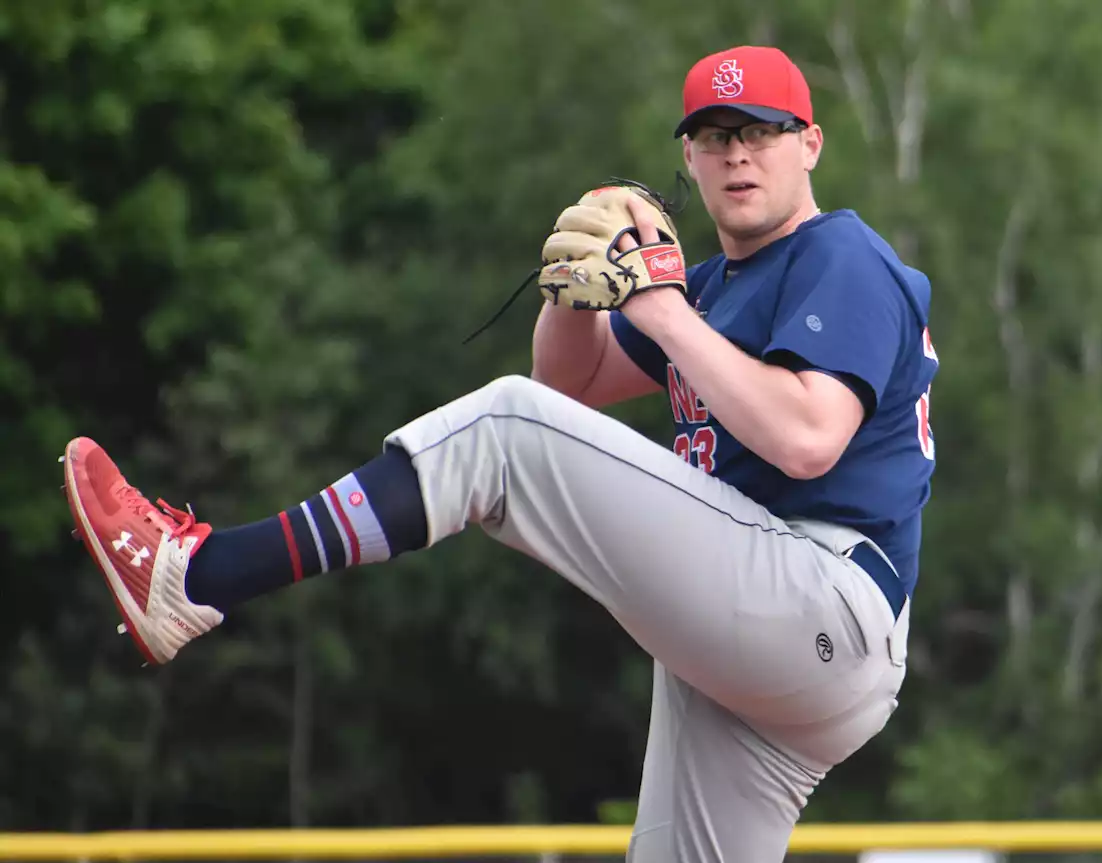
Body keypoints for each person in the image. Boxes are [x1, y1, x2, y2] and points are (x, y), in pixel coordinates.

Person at [61, 44, 938, 863]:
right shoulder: (716, 286)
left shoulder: (840, 256)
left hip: (826, 595)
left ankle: (200, 574)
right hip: (768, 646)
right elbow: (570, 386)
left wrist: (663, 307)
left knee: (502, 431)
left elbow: (807, 437)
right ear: (694, 157)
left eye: (760, 132)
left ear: (811, 144)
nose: (737, 154)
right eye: (715, 137)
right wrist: (577, 289)